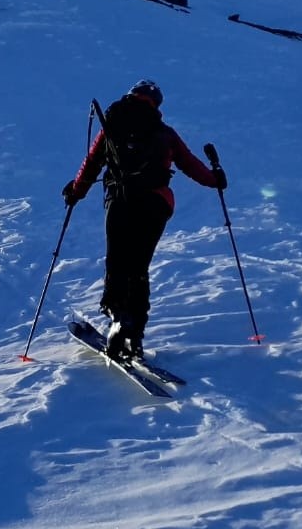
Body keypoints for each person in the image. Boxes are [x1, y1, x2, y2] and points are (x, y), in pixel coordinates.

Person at [62, 79, 226, 361]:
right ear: (156, 104)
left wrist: (76, 192)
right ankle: (135, 334)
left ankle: (117, 318)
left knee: (117, 261)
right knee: (139, 266)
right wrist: (215, 179)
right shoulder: (165, 134)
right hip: (155, 204)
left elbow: (91, 163)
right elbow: (190, 164)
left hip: (120, 201)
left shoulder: (111, 127)